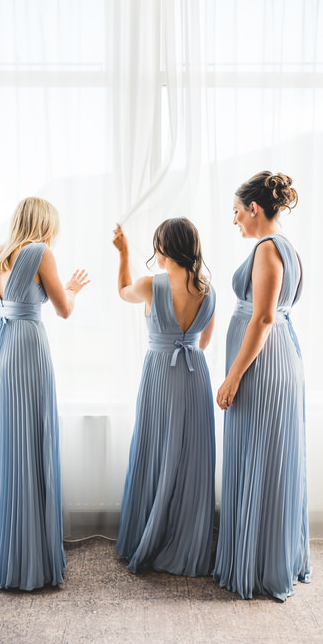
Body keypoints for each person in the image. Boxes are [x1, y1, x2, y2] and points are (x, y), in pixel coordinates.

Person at [0, 197, 89, 590]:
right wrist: (73, 289)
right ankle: (31, 559)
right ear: (45, 225)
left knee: (10, 451)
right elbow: (64, 310)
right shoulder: (40, 252)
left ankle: (6, 554)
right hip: (29, 352)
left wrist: (0, 357)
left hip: (2, 356)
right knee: (33, 446)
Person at [213, 171, 311, 601]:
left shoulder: (268, 248)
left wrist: (233, 375)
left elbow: (265, 317)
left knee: (259, 455)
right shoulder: (283, 248)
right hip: (275, 359)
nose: (235, 221)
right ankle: (264, 554)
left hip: (262, 368)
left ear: (254, 209)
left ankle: (257, 564)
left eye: (237, 212)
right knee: (267, 457)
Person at [113, 218, 216, 576]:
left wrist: (124, 253)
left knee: (155, 448)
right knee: (189, 456)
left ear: (164, 248)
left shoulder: (151, 285)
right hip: (194, 374)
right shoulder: (208, 290)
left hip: (161, 373)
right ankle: (186, 538)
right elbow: (204, 341)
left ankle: (150, 535)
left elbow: (123, 289)